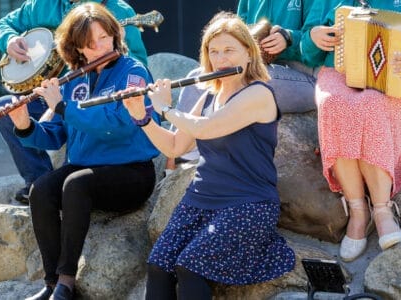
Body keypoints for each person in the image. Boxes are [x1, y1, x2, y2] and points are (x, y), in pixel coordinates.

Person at [122, 12, 295, 299]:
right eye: (214, 52)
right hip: (201, 199)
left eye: (229, 50)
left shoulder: (258, 94)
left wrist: (166, 108)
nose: (221, 59)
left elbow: (206, 129)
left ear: (249, 54)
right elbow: (175, 147)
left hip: (247, 203)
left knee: (190, 267)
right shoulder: (208, 95)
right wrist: (143, 118)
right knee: (159, 265)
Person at [6, 3, 159, 299]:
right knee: (42, 189)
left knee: (75, 185)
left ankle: (66, 282)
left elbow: (121, 125)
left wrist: (62, 106)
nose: (101, 47)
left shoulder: (134, 72)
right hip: (86, 167)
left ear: (116, 36)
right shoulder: (75, 78)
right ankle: (51, 283)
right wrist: (26, 126)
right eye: (90, 44)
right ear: (76, 50)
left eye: (105, 38)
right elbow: (56, 136)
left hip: (131, 171)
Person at [300, 0, 401, 261]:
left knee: (370, 105)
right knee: (333, 104)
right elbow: (308, 49)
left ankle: (383, 210)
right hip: (340, 74)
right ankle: (358, 210)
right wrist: (314, 38)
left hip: (400, 78)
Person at [0, 0, 149, 204]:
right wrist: (10, 40)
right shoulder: (41, 5)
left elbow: (138, 62)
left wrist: (99, 63)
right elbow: (3, 25)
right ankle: (39, 180)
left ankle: (77, 182)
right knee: (5, 109)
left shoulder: (118, 10)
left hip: (95, 99)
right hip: (51, 94)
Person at [165, 0, 317, 172]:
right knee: (197, 77)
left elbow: (319, 44)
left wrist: (289, 39)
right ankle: (176, 164)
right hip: (256, 67)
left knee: (251, 79)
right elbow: (236, 37)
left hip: (304, 77)